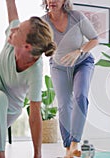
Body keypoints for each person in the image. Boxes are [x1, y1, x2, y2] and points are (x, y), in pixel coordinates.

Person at [0, 0, 56, 158]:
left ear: (26, 46)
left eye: (18, 30)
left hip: (11, 110)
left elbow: (35, 115)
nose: (13, 29)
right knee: (0, 98)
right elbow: (12, 10)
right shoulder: (13, 39)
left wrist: (37, 155)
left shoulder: (35, 71)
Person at [41, 0, 98, 157]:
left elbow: (94, 39)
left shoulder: (76, 17)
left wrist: (78, 51)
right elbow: (41, 47)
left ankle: (75, 142)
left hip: (83, 62)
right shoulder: (43, 22)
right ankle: (68, 148)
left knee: (81, 96)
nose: (52, 0)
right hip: (59, 67)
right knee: (64, 104)